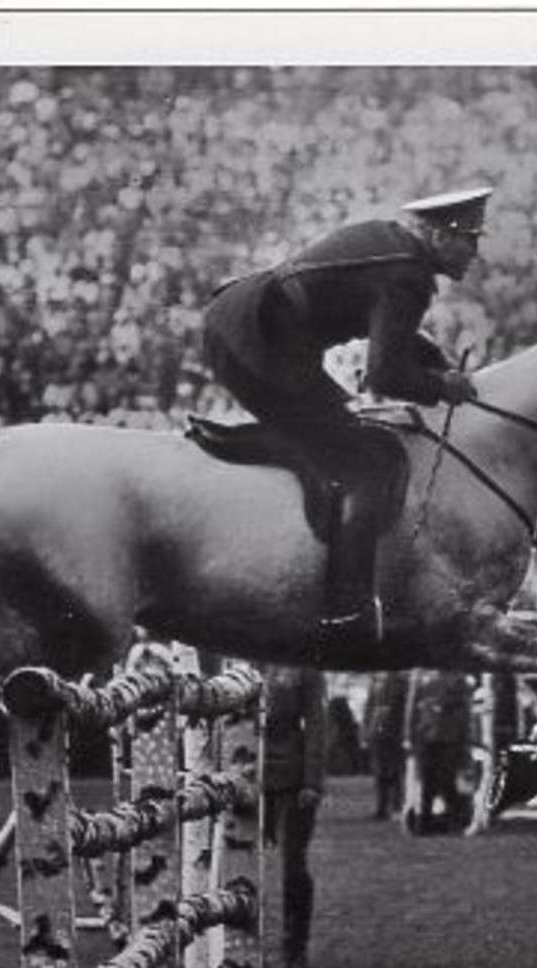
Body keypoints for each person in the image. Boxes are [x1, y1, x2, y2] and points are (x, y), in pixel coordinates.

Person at [201, 187, 493, 648]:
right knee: (372, 465)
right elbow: (384, 375)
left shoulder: (395, 247)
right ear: (438, 236)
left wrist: (434, 364)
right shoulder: (408, 275)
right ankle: (347, 610)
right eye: (469, 239)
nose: (475, 253)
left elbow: (396, 338)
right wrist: (443, 386)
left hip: (246, 323)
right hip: (254, 342)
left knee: (344, 433)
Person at [260, 663, 331, 968]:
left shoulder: (304, 664)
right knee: (237, 864)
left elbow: (316, 723)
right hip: (247, 773)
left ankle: (295, 948)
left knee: (294, 866)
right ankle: (242, 948)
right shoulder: (240, 656)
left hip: (293, 777)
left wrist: (312, 781)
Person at [405, 669, 474, 835]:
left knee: (446, 780)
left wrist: (438, 704)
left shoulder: (457, 678)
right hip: (429, 735)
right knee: (429, 781)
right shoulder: (423, 676)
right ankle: (426, 822)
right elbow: (415, 706)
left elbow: (459, 705)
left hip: (448, 736)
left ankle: (454, 820)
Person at [362, 670, 410, 820]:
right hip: (381, 733)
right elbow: (371, 708)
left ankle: (394, 806)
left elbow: (385, 708)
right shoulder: (378, 681)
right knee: (382, 772)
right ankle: (383, 807)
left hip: (392, 732)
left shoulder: (398, 681)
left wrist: (370, 729)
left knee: (393, 772)